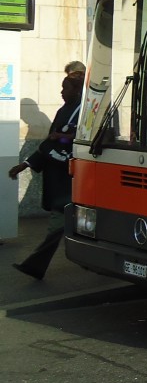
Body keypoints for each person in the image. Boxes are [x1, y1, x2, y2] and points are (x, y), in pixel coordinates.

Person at [10, 73, 83, 280]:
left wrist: (63, 137)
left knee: (56, 226)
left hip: (68, 181)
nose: (61, 92)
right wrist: (24, 165)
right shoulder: (63, 111)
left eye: (65, 88)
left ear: (76, 90)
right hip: (57, 179)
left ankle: (35, 265)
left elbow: (89, 139)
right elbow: (48, 145)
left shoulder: (84, 112)